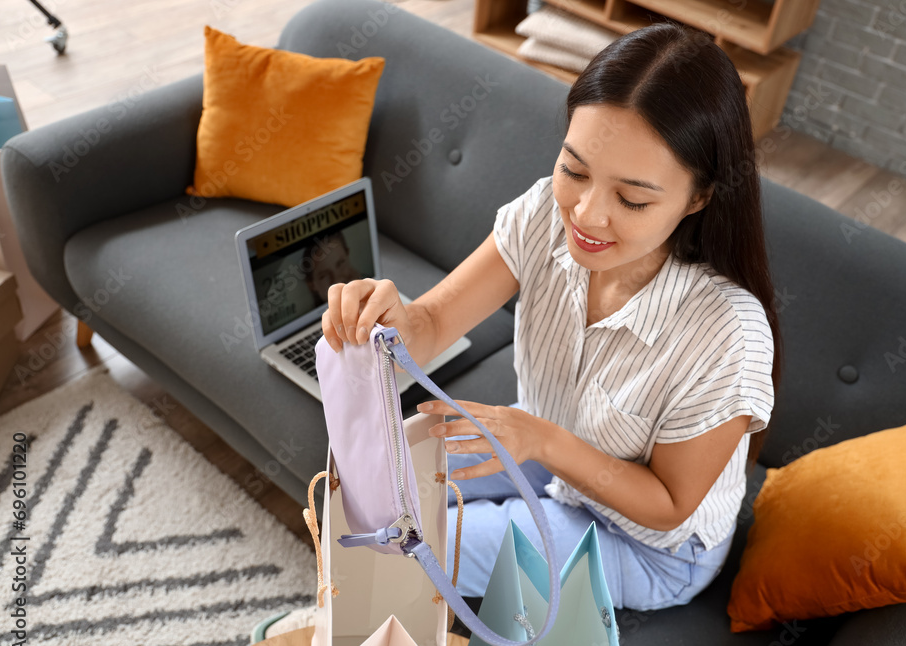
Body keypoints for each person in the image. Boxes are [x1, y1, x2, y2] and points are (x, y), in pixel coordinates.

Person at [321, 20, 781, 613]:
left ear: (699, 197)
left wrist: (539, 439)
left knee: (416, 544)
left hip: (650, 545)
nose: (586, 216)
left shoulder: (728, 336)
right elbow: (431, 325)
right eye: (575, 169)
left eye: (632, 200)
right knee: (369, 489)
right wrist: (389, 319)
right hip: (545, 451)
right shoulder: (545, 213)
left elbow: (668, 503)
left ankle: (347, 635)